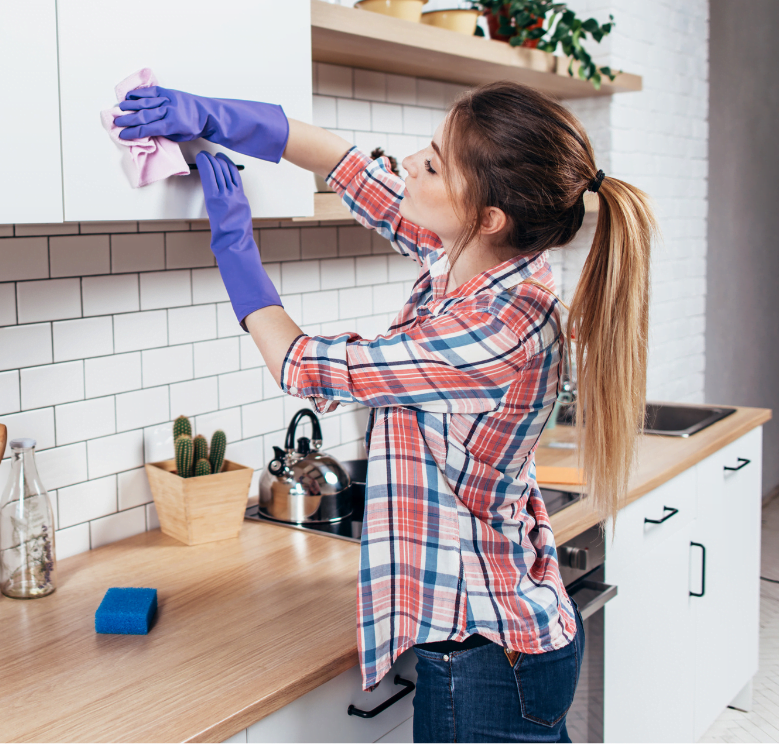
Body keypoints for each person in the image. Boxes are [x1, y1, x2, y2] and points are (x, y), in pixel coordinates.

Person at [115, 81, 656, 743]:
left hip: (487, 658)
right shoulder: (475, 259)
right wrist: (210, 114)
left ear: (486, 215)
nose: (407, 163)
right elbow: (346, 164)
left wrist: (233, 242)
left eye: (432, 162)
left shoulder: (496, 325)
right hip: (499, 637)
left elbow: (302, 365)